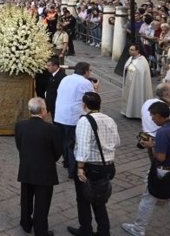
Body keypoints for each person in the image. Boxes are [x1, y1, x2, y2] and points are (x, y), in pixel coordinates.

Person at [68, 92, 120, 236]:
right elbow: (117, 142)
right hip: (107, 166)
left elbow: (83, 147)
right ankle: (104, 231)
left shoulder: (85, 121)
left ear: (85, 105)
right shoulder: (109, 119)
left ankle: (86, 230)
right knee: (99, 200)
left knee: (83, 199)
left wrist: (79, 168)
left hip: (90, 167)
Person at [121, 101, 170, 236]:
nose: (152, 120)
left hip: (163, 170)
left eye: (152, 116)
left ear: (159, 115)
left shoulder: (162, 132)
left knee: (148, 198)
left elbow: (160, 157)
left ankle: (138, 229)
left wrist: (151, 146)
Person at [15, 97, 61, 236]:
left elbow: (19, 145)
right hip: (45, 170)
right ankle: (41, 230)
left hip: (27, 168)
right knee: (42, 202)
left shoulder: (20, 125)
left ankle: (26, 223)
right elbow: (57, 151)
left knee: (26, 198)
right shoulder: (52, 129)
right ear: (43, 111)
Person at [55, 62, 96, 179]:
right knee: (73, 144)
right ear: (86, 72)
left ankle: (66, 162)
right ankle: (72, 171)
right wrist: (96, 88)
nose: (90, 73)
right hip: (73, 117)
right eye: (89, 71)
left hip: (60, 115)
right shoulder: (85, 82)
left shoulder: (66, 79)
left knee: (64, 141)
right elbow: (92, 100)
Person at [122, 44, 153, 119]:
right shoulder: (130, 58)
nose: (130, 51)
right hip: (129, 83)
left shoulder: (142, 61)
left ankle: (136, 113)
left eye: (132, 50)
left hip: (138, 85)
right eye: (129, 49)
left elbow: (141, 72)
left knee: (137, 97)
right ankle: (127, 111)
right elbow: (126, 68)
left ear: (137, 51)